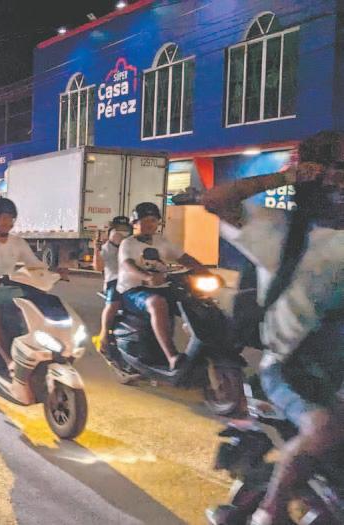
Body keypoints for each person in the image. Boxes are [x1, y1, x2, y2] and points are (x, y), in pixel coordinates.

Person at [202, 131, 344, 525]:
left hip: (338, 373)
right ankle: (270, 511)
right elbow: (216, 200)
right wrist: (286, 177)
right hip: (291, 368)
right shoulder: (280, 230)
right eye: (336, 169)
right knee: (324, 428)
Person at [0, 197, 55, 382]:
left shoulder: (17, 242)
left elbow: (34, 264)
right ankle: (9, 362)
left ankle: (33, 354)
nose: (7, 222)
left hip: (8, 288)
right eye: (3, 218)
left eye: (10, 218)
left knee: (34, 310)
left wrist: (54, 272)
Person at [116, 202, 208, 370]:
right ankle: (172, 356)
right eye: (145, 220)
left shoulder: (162, 241)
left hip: (161, 286)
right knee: (157, 303)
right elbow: (128, 265)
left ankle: (205, 349)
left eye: (153, 220)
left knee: (195, 301)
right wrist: (147, 277)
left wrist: (205, 271)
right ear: (135, 223)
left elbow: (183, 258)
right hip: (134, 290)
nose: (150, 224)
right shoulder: (128, 244)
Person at [94, 216, 133, 351]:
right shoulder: (107, 248)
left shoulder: (132, 246)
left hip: (133, 281)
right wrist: (96, 250)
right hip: (114, 281)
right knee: (113, 304)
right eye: (118, 230)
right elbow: (98, 267)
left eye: (125, 230)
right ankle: (104, 334)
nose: (122, 233)